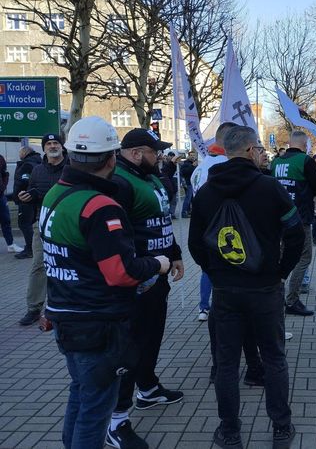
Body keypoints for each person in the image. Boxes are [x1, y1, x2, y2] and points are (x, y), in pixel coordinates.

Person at [42, 117, 170, 449]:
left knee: (80, 395)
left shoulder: (56, 193)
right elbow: (120, 272)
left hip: (66, 313)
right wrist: (159, 263)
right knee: (96, 409)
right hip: (96, 321)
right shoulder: (100, 207)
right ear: (112, 158)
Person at [188, 125, 305, 449]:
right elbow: (295, 234)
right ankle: (281, 427)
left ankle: (230, 431)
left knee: (226, 364)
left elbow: (195, 243)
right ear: (252, 150)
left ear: (226, 150)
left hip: (225, 291)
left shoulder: (206, 192)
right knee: (274, 359)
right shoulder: (269, 188)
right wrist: (280, 271)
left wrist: (215, 272)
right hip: (265, 287)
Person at [107, 128, 185, 449]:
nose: (161, 157)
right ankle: (115, 421)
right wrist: (141, 271)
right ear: (137, 153)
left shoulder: (150, 178)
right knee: (130, 347)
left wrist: (175, 253)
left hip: (159, 276)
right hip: (137, 280)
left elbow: (162, 220)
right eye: (156, 152)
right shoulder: (119, 183)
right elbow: (118, 237)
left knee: (152, 336)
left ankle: (148, 388)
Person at [271, 130, 316, 317]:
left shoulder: (276, 161)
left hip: (278, 218)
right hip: (300, 218)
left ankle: (275, 295)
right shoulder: (305, 161)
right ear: (305, 144)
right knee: (304, 257)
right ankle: (292, 299)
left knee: (279, 257)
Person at [191, 122, 239, 322]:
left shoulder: (200, 168)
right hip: (222, 229)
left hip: (203, 227)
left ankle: (204, 307)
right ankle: (224, 311)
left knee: (207, 270)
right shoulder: (223, 166)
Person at [17, 133, 67, 326]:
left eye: (56, 143)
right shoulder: (37, 170)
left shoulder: (71, 168)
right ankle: (33, 308)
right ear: (44, 148)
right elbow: (32, 192)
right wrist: (27, 197)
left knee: (68, 265)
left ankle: (64, 305)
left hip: (67, 223)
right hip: (43, 222)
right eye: (49, 144)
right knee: (39, 264)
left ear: (62, 146)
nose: (52, 146)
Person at [13, 146, 43, 259]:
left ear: (25, 152)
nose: (19, 154)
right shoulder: (37, 162)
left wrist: (19, 194)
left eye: (20, 152)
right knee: (30, 224)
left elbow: (24, 182)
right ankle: (32, 247)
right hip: (33, 199)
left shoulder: (27, 165)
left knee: (24, 224)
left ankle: (30, 249)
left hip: (25, 199)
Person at [0, 152, 22, 254]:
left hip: (0, 197)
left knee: (6, 220)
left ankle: (11, 245)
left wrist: (3, 186)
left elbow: (4, 173)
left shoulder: (0, 158)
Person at [179, 151, 197, 218]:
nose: (192, 156)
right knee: (188, 198)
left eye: (193, 155)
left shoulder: (193, 163)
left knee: (191, 198)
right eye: (191, 155)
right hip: (188, 183)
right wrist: (192, 166)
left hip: (193, 183)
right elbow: (184, 172)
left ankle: (189, 211)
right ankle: (183, 213)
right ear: (188, 156)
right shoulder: (186, 163)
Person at [161, 152, 178, 219]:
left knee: (174, 201)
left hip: (173, 186)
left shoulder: (176, 166)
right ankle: (167, 213)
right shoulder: (165, 165)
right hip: (166, 187)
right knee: (166, 201)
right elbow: (165, 172)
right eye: (170, 156)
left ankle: (172, 213)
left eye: (172, 156)